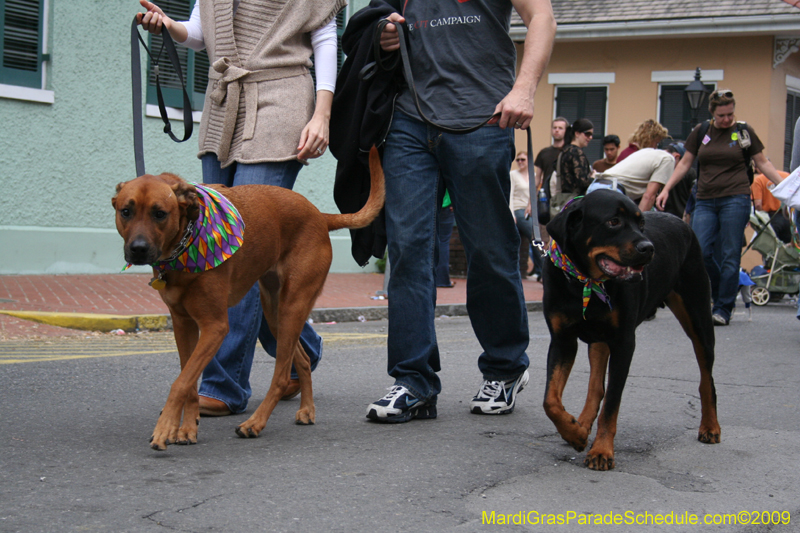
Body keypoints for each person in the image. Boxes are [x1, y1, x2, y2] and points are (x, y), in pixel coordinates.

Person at [135, 0, 345, 415]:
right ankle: (301, 350)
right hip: (224, 105)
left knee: (241, 246)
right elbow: (198, 34)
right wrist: (169, 26)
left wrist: (322, 114)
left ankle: (224, 383)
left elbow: (324, 39)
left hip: (281, 100)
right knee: (208, 240)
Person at [363, 0, 557, 423]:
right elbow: (376, 22)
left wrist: (524, 88)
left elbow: (541, 16)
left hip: (482, 119)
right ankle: (414, 381)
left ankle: (505, 368)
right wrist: (382, 35)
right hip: (410, 119)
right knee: (408, 250)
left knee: (488, 249)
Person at [656, 89, 785, 326]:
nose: (727, 119)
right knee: (701, 251)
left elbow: (762, 163)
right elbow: (685, 162)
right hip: (704, 199)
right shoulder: (702, 131)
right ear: (713, 113)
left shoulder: (743, 131)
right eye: (722, 115)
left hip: (735, 198)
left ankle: (724, 308)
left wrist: (786, 186)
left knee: (730, 254)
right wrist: (665, 188)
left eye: (730, 114)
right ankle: (718, 291)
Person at [594, 147, 675, 211]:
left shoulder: (648, 151)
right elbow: (649, 197)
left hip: (596, 186)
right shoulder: (669, 159)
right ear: (677, 156)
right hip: (613, 191)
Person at [550, 118, 594, 215]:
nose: (590, 137)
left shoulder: (564, 151)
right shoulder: (576, 152)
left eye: (591, 135)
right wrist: (593, 178)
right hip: (576, 203)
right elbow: (582, 182)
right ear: (577, 133)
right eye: (587, 134)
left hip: (562, 201)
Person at [510, 152, 535, 279]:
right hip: (518, 211)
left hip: (530, 211)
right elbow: (510, 194)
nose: (520, 162)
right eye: (518, 160)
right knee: (535, 236)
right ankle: (542, 268)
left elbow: (534, 193)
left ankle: (522, 270)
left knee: (520, 241)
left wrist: (531, 205)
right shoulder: (513, 175)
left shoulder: (533, 175)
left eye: (523, 159)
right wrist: (512, 213)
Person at [534, 117, 569, 202]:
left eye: (560, 128)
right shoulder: (544, 152)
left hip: (564, 197)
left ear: (566, 131)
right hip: (546, 197)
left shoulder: (569, 152)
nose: (557, 130)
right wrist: (531, 202)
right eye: (554, 128)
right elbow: (537, 178)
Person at [751, 171, 792, 243]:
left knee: (770, 248)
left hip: (771, 219)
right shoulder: (787, 175)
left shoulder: (758, 180)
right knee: (788, 250)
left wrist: (761, 218)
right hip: (788, 218)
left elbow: (758, 204)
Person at [662, 142, 696, 219]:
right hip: (679, 217)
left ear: (677, 157)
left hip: (673, 217)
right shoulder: (690, 172)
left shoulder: (689, 173)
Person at [436, 189, 456, 288]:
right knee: (443, 242)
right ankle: (442, 280)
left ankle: (429, 278)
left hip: (432, 204)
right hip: (447, 205)